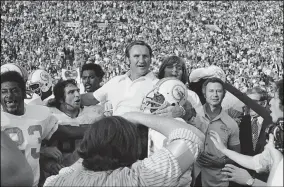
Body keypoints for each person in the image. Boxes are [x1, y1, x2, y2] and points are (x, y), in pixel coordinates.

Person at [44, 112, 205, 186]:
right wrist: (135, 116)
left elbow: (75, 168)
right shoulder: (142, 178)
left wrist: (95, 145)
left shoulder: (57, 182)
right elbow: (192, 138)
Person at [0, 71, 91, 186]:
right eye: (4, 92)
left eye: (14, 90)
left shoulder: (40, 114)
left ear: (24, 93)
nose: (9, 95)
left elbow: (66, 132)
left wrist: (100, 128)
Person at [80, 40, 185, 117]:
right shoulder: (115, 81)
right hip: (114, 137)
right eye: (136, 56)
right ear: (127, 59)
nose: (141, 60)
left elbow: (180, 105)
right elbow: (92, 98)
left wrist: (181, 111)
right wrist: (65, 96)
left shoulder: (159, 85)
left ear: (150, 59)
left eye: (145, 56)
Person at [210, 79, 283, 186]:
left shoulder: (273, 128)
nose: (271, 102)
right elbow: (256, 163)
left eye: (275, 98)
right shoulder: (276, 134)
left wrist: (250, 181)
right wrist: (223, 149)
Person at [193, 77, 240, 187]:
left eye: (218, 91)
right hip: (192, 178)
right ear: (204, 94)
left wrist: (221, 162)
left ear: (224, 94)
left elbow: (237, 155)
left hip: (217, 181)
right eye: (211, 91)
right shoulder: (194, 116)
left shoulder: (231, 124)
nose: (215, 95)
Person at [228, 87, 272, 186]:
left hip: (265, 181)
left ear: (264, 103)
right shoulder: (240, 122)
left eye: (253, 102)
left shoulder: (273, 123)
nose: (249, 105)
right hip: (241, 179)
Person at [157, 55, 203, 119]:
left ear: (183, 72)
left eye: (179, 68)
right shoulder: (154, 91)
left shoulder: (191, 96)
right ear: (163, 70)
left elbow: (203, 126)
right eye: (170, 67)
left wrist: (188, 113)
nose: (175, 70)